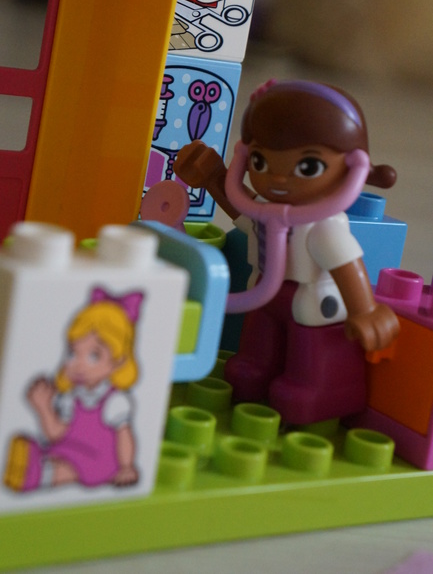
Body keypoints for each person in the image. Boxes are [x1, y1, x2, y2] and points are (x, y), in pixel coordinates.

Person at [174, 79, 400, 423]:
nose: (278, 179)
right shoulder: (266, 211)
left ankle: (310, 390)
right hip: (264, 296)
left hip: (310, 301)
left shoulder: (323, 226)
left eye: (307, 167)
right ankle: (254, 371)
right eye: (260, 161)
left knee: (308, 351)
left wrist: (364, 310)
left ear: (354, 169)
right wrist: (214, 178)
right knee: (255, 350)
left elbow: (346, 265)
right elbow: (243, 214)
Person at [4, 288, 143, 492]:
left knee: (67, 470)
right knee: (51, 455)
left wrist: (127, 467)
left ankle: (35, 475)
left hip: (96, 460)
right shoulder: (72, 397)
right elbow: (57, 434)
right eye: (72, 353)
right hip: (66, 448)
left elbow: (124, 436)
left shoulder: (115, 401)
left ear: (119, 361)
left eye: (94, 356)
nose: (78, 365)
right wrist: (44, 408)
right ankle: (31, 466)